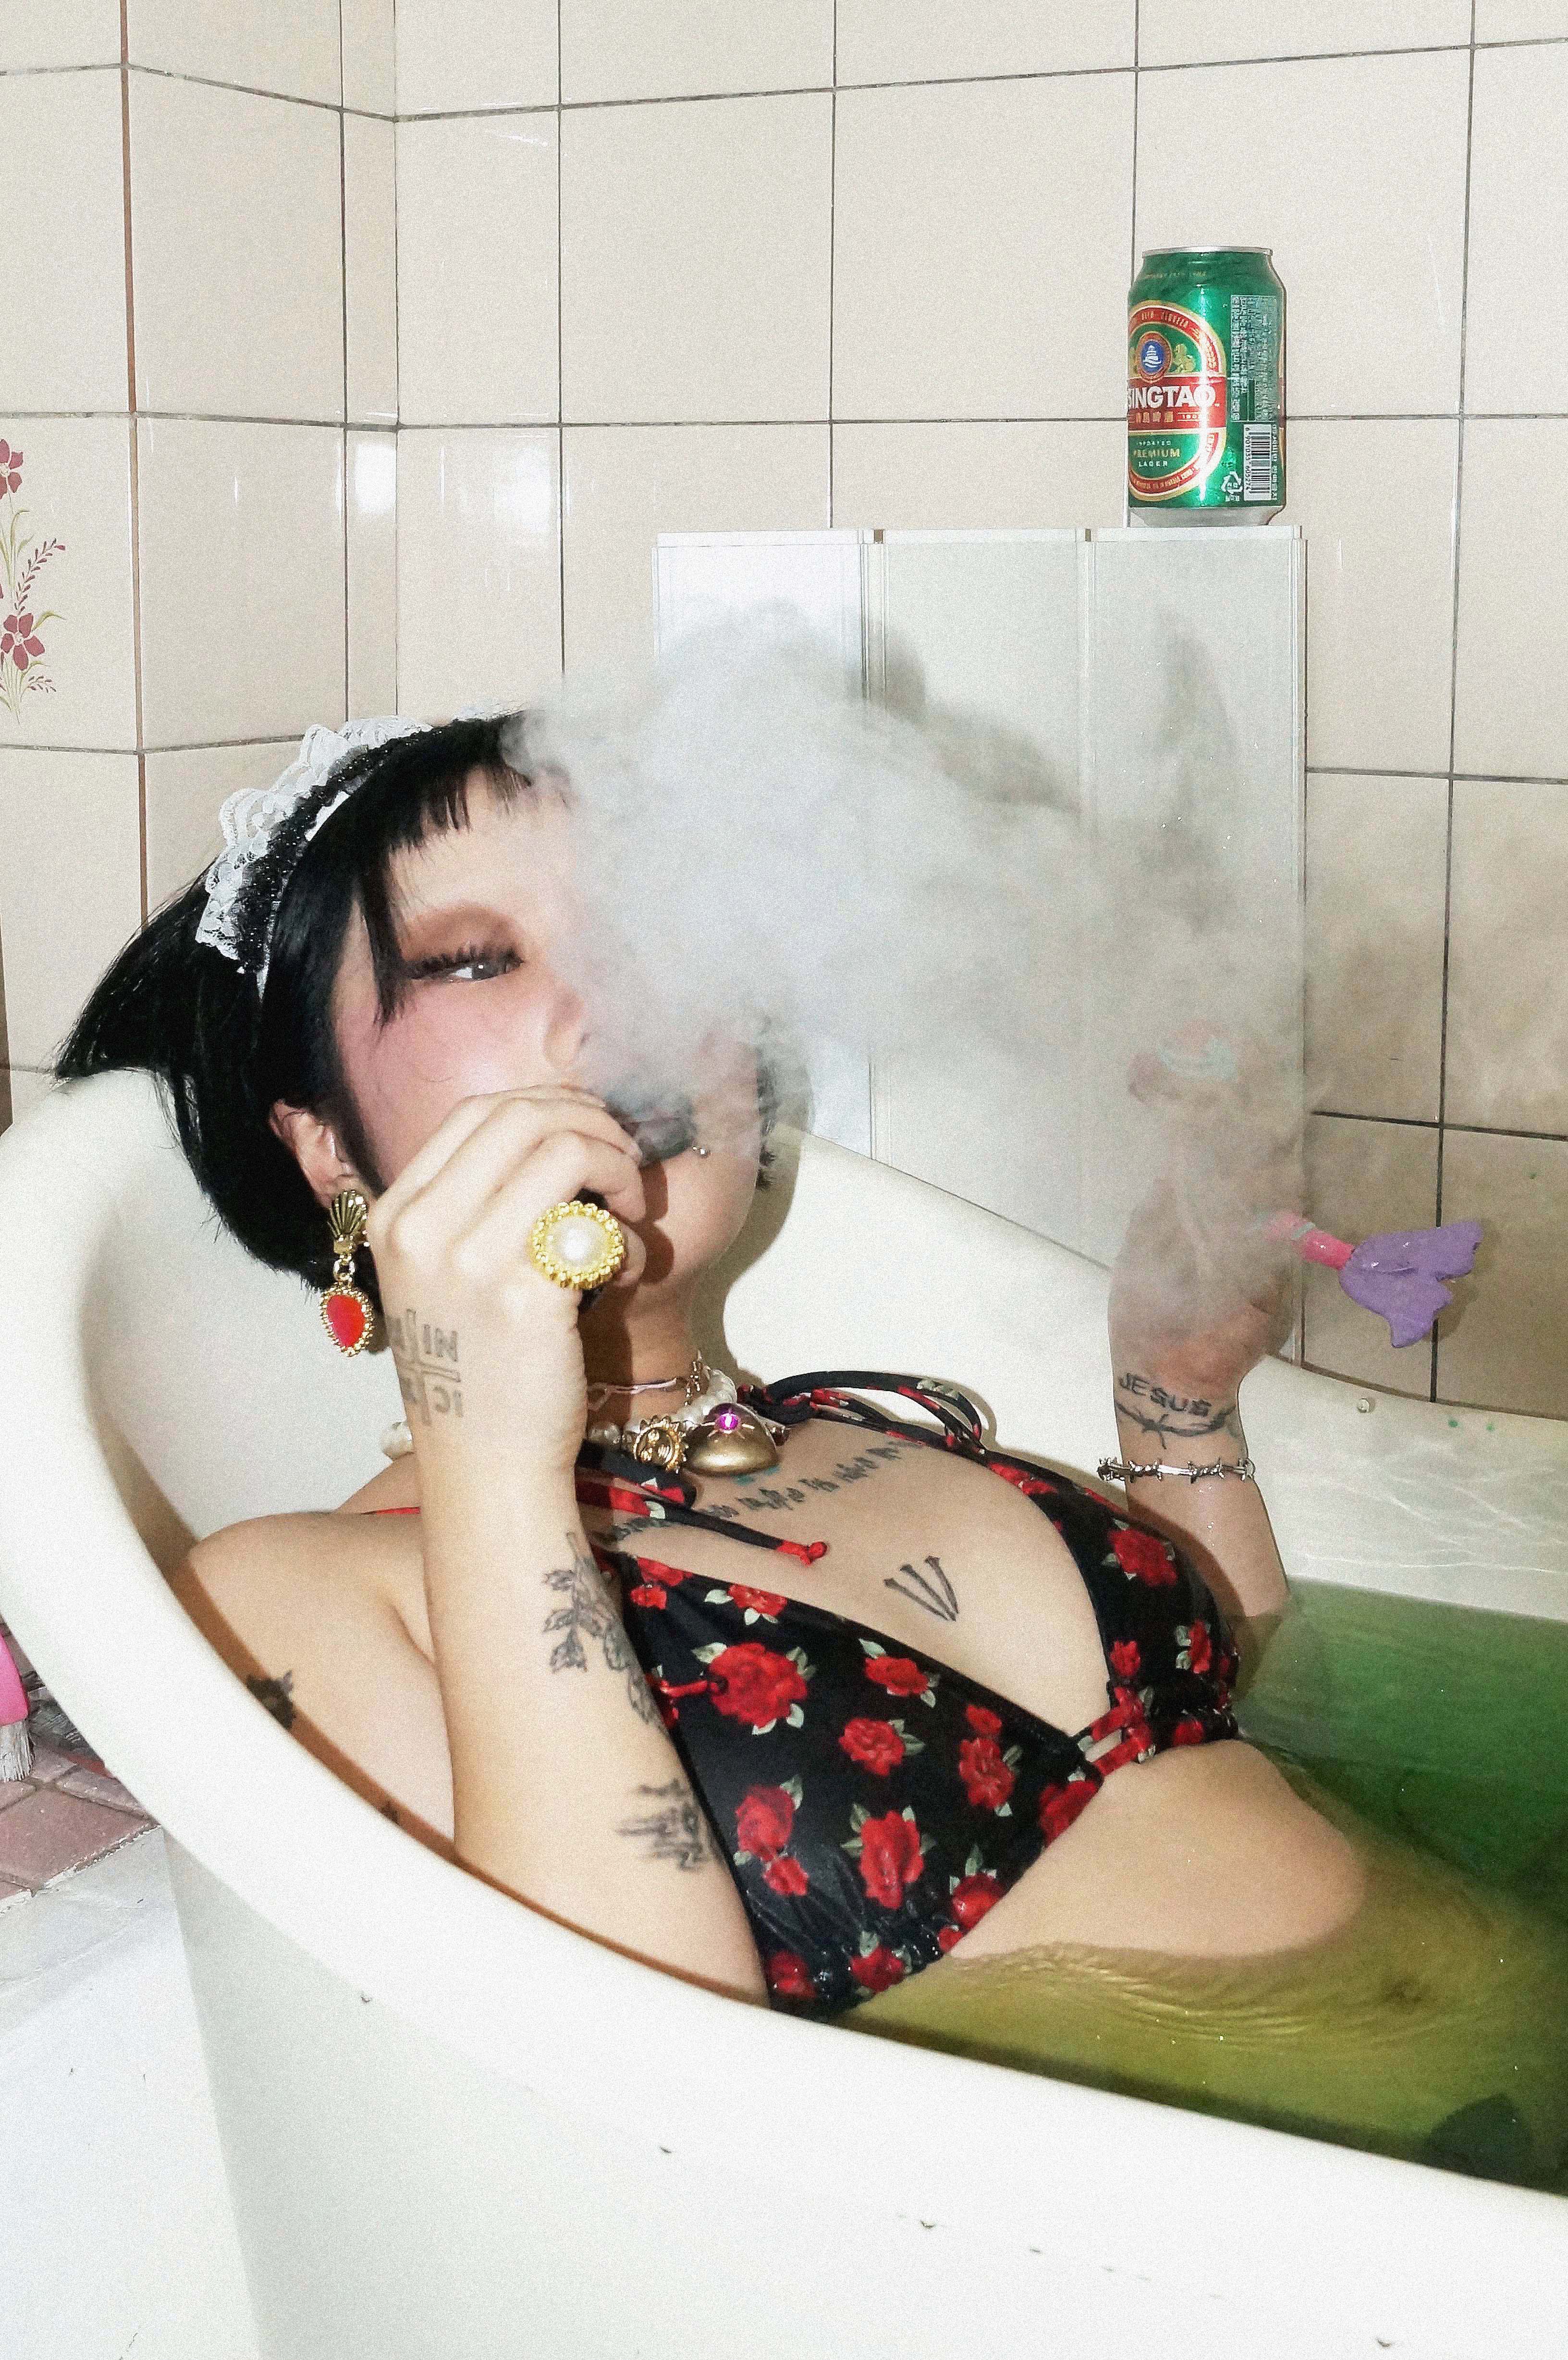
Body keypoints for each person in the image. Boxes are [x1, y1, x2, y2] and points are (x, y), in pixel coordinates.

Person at [54, 711, 1568, 2185]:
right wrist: (490, 1447)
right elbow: (625, 2133)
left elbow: (1260, 1733)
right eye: (478, 957)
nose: (625, 1004)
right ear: (326, 1145)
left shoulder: (870, 1432)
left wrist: (1174, 1401)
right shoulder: (297, 1595)